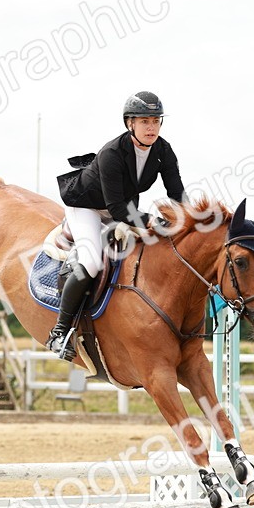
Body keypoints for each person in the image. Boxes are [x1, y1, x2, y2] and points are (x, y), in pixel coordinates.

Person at [48, 91, 186, 360]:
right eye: (144, 121)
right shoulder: (112, 152)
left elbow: (177, 194)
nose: (151, 127)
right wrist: (151, 221)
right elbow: (116, 210)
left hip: (121, 206)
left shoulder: (163, 150)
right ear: (129, 124)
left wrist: (192, 220)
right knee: (90, 262)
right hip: (87, 205)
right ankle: (60, 331)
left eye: (156, 121)